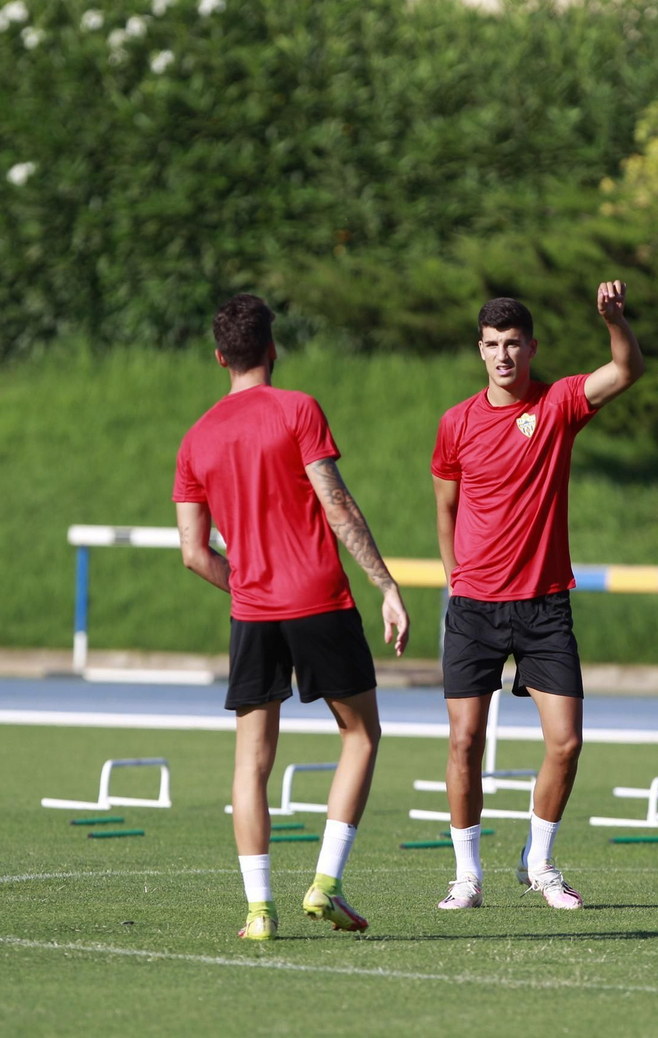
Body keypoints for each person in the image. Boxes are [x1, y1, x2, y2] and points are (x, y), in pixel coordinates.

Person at [173, 294, 409, 942]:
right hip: (320, 599)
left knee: (252, 762)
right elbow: (335, 502)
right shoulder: (298, 409)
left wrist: (244, 583)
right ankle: (326, 886)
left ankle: (258, 911)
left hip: (252, 613)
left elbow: (193, 552)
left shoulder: (196, 438)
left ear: (220, 356)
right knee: (360, 736)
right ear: (273, 348)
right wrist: (385, 583)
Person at [431, 282, 643, 911]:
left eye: (514, 344)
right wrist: (455, 576)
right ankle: (466, 876)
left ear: (531, 348)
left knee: (566, 742)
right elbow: (445, 507)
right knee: (465, 741)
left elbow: (626, 369)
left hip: (545, 605)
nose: (503, 356)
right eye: (493, 345)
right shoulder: (456, 423)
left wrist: (614, 320)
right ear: (480, 350)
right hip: (475, 607)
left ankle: (540, 862)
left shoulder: (558, 404)